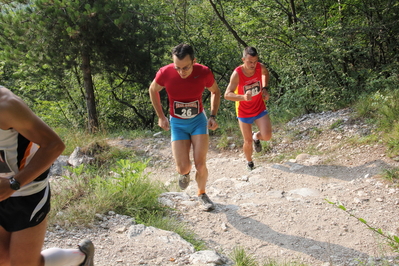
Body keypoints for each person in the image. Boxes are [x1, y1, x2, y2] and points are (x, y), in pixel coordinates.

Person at [0, 85, 95, 266]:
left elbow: (54, 145)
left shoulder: (6, 105)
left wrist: (14, 183)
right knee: (2, 258)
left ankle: (81, 257)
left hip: (27, 190)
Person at [149, 44, 220, 211]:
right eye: (177, 68)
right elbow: (153, 90)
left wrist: (213, 116)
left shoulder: (203, 72)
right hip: (178, 123)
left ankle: (202, 194)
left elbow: (215, 91)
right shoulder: (165, 72)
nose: (181, 72)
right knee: (183, 167)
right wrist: (161, 116)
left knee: (200, 164)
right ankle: (184, 174)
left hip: (198, 122)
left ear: (194, 61)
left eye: (186, 68)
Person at [224, 46, 272, 170]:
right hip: (243, 111)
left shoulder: (260, 67)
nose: (253, 64)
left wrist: (264, 89)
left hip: (259, 107)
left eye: (255, 61)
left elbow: (265, 73)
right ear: (243, 60)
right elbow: (227, 95)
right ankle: (250, 163)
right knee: (247, 141)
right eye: (250, 62)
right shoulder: (237, 74)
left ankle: (256, 136)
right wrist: (243, 97)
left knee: (267, 136)